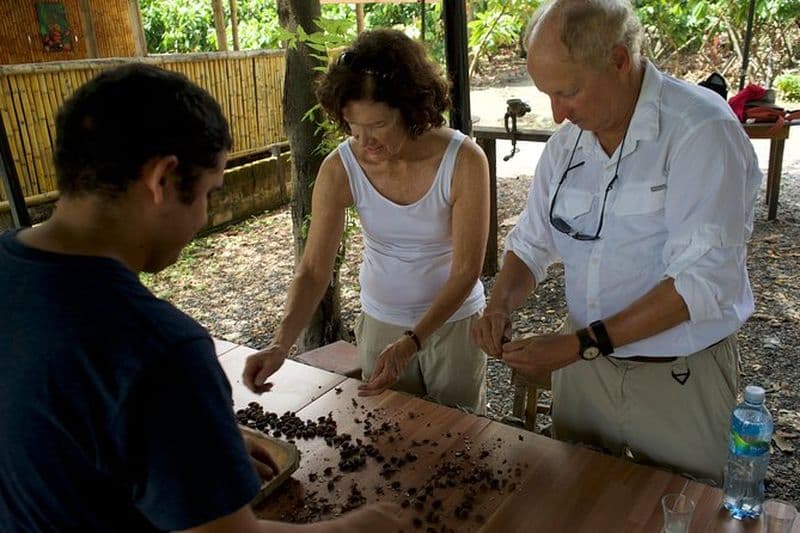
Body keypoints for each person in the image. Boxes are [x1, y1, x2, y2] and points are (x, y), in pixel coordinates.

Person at [0, 64, 400, 532]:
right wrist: (358, 527)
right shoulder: (159, 350)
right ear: (163, 179)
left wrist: (200, 442)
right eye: (210, 192)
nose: (204, 216)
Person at [472, 0, 761, 485]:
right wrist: (499, 304)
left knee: (681, 510)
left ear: (620, 60)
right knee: (578, 499)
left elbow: (702, 282)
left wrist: (581, 344)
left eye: (568, 92)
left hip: (678, 376)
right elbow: (532, 241)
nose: (557, 114)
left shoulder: (699, 130)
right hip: (586, 372)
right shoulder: (569, 144)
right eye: (547, 95)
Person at [243, 29, 491, 414]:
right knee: (388, 437)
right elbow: (312, 270)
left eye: (377, 126)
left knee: (459, 441)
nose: (365, 141)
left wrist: (413, 340)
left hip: (454, 326)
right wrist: (280, 343)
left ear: (411, 111)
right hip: (380, 323)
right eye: (353, 127)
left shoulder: (464, 160)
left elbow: (466, 270)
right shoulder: (340, 168)